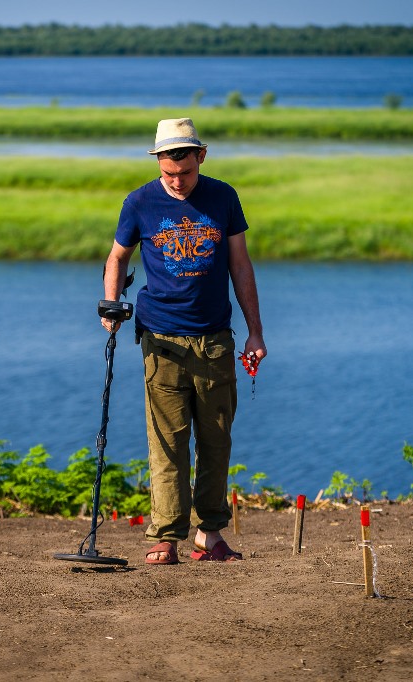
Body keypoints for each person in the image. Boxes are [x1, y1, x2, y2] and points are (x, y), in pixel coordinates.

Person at [102, 118, 266, 565]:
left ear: (202, 156)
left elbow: (240, 264)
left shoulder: (224, 197)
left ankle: (209, 535)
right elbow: (117, 258)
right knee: (168, 443)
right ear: (157, 161)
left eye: (185, 172)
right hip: (161, 341)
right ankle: (165, 537)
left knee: (216, 440)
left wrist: (255, 330)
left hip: (215, 340)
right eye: (168, 173)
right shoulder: (138, 202)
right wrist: (110, 306)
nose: (176, 182)